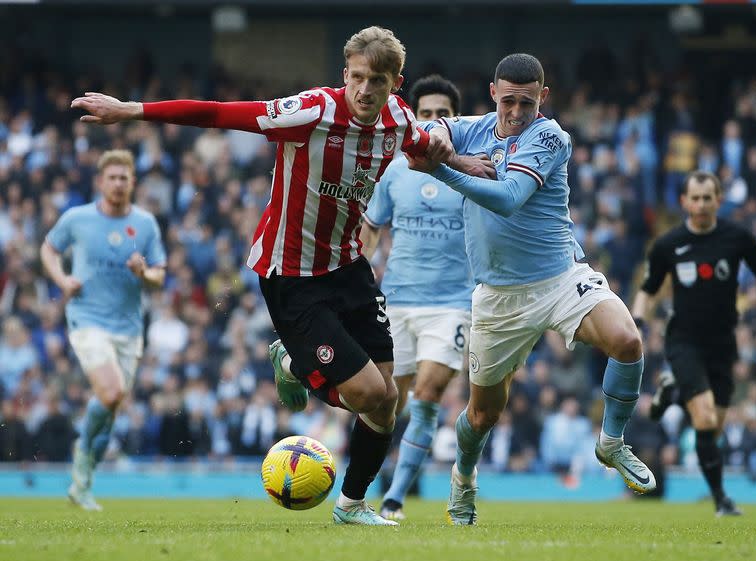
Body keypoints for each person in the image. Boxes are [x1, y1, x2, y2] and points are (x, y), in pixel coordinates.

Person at [72, 26, 452, 526]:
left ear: (395, 84)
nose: (364, 90)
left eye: (376, 81)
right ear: (345, 75)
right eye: (356, 77)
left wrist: (466, 161)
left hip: (349, 266)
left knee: (388, 401)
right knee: (367, 394)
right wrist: (135, 110)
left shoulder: (399, 119)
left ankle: (352, 505)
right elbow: (217, 114)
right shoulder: (312, 111)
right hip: (292, 274)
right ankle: (295, 363)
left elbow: (424, 145)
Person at [407, 53, 655, 525]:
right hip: (498, 296)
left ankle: (611, 442)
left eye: (526, 102)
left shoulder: (549, 136)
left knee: (627, 339)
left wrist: (439, 168)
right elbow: (435, 132)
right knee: (481, 416)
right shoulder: (474, 127)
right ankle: (463, 479)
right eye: (508, 102)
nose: (516, 112)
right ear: (493, 93)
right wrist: (441, 142)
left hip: (560, 276)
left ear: (542, 97)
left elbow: (507, 199)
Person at [361, 75, 489, 521]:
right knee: (382, 402)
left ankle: (395, 497)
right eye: (427, 113)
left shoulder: (471, 169)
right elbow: (372, 226)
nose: (435, 121)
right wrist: (359, 271)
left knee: (428, 394)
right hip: (396, 301)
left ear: (456, 120)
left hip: (451, 304)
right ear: (414, 117)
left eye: (444, 114)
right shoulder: (393, 171)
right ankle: (363, 486)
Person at [631, 170, 756, 517]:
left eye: (708, 198)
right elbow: (648, 291)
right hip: (684, 340)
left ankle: (673, 391)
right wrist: (638, 322)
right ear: (684, 202)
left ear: (719, 200)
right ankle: (721, 499)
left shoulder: (738, 238)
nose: (702, 204)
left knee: (714, 427)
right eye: (696, 198)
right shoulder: (668, 245)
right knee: (704, 418)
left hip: (723, 344)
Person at [41, 149, 166, 510]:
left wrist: (145, 274)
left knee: (110, 411)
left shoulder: (145, 224)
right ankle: (82, 454)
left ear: (133, 182)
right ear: (100, 182)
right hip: (87, 319)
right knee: (110, 393)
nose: (117, 183)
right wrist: (62, 279)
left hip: (128, 329)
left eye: (123, 178)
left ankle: (82, 482)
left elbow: (160, 274)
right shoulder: (77, 218)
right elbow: (48, 249)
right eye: (111, 177)